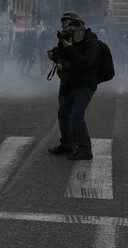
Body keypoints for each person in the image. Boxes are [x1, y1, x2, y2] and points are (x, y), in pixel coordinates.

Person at [47, 12, 99, 160]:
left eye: (68, 25)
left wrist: (69, 48)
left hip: (85, 84)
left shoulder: (91, 42)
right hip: (72, 83)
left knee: (77, 116)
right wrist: (56, 56)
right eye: (63, 25)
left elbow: (84, 62)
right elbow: (64, 59)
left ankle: (85, 150)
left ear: (78, 27)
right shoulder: (67, 41)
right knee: (63, 113)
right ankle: (67, 144)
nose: (65, 28)